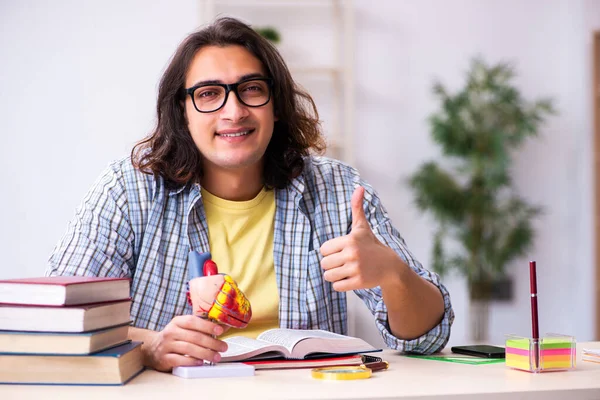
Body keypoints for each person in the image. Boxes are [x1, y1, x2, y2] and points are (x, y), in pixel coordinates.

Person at [46, 17, 454, 372]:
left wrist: (394, 274)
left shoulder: (337, 191)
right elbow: (54, 321)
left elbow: (427, 339)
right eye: (208, 94)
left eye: (252, 89)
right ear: (182, 113)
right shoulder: (128, 191)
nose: (234, 111)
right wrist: (150, 346)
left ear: (275, 104)